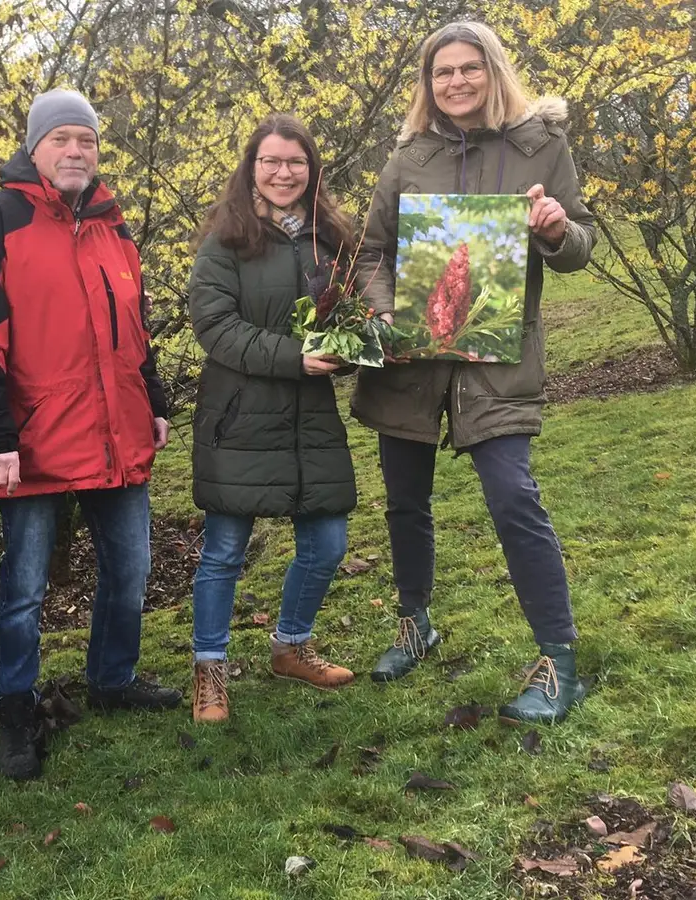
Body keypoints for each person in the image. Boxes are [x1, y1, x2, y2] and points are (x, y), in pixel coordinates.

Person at [351, 20, 597, 725]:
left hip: (495, 361)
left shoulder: (540, 146)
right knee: (404, 502)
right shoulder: (408, 158)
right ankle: (415, 623)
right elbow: (374, 253)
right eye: (441, 72)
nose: (455, 82)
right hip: (411, 361)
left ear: (493, 70)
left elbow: (580, 243)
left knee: (513, 497)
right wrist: (388, 311)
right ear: (427, 84)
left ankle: (559, 660)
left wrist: (554, 229)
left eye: (468, 68)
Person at [0, 89, 180, 781]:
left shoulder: (113, 224)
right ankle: (15, 706)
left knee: (129, 571)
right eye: (62, 140)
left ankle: (112, 677)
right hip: (33, 443)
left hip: (116, 432)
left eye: (88, 141)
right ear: (35, 147)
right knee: (21, 588)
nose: (76, 151)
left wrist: (154, 399)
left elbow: (135, 327)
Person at [184, 114, 360, 724]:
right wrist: (296, 358)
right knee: (226, 550)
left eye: (296, 162)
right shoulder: (224, 240)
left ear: (312, 170)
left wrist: (359, 345)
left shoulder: (331, 237)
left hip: (310, 415)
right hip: (239, 416)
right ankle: (209, 669)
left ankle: (291, 645)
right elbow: (215, 327)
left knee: (327, 541)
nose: (283, 173)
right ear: (251, 168)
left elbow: (355, 309)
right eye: (271, 161)